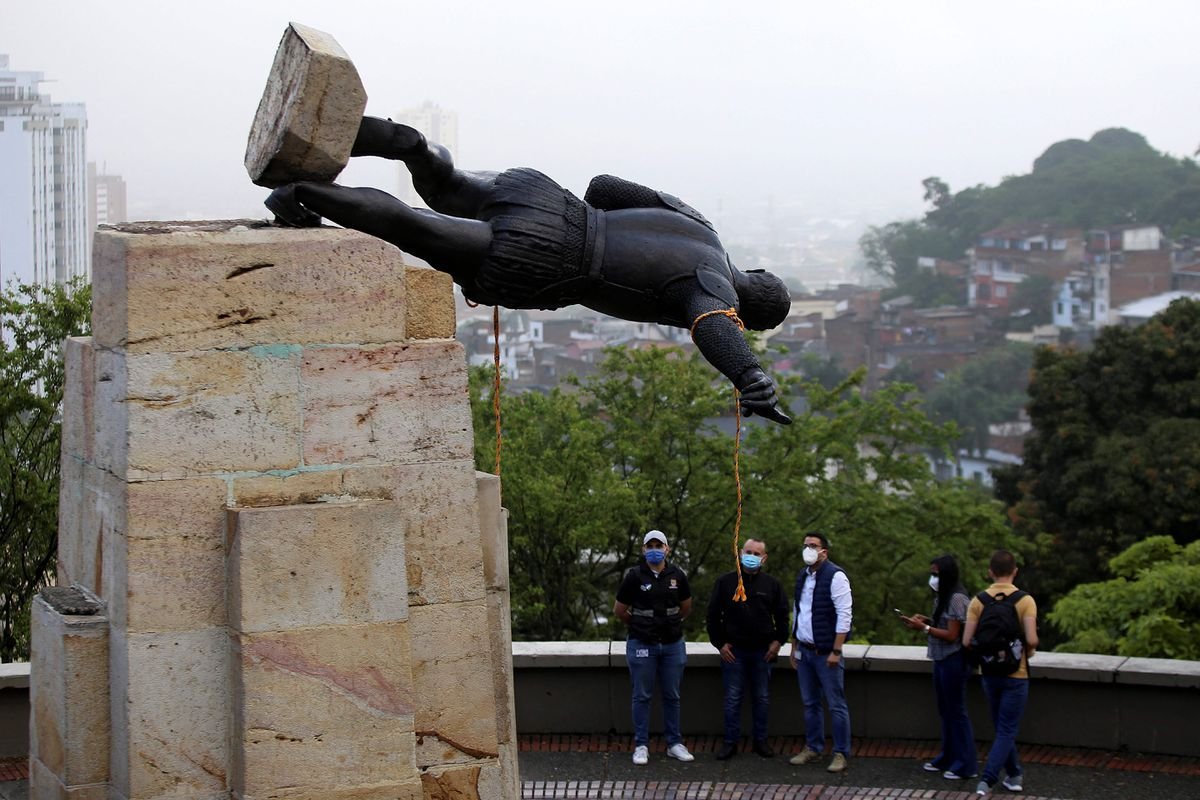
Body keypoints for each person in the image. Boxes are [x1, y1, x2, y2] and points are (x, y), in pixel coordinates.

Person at [265, 117, 792, 423]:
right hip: (551, 256)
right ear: (751, 311)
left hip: (547, 199)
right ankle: (302, 192)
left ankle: (410, 146)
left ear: (759, 270)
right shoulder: (713, 291)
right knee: (417, 227)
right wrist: (750, 377)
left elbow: (603, 187)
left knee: (445, 182)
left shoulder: (698, 224)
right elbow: (714, 327)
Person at [613, 530, 695, 765]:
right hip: (642, 644)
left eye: (659, 545)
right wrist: (640, 625)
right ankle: (641, 745)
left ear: (667, 549)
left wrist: (669, 624)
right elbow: (619, 611)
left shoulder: (677, 576)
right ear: (643, 550)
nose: (655, 549)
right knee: (641, 695)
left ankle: (674, 743)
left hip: (672, 645)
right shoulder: (634, 577)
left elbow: (686, 608)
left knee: (672, 695)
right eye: (650, 546)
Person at [705, 538, 790, 760]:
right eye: (748, 551)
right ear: (740, 553)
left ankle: (760, 742)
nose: (751, 556)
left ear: (764, 558)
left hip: (763, 652)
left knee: (761, 698)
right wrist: (719, 644)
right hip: (734, 653)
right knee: (732, 698)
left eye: (756, 553)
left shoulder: (772, 585)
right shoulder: (725, 582)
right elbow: (712, 616)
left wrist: (778, 642)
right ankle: (730, 743)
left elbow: (782, 617)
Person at [962, 550, 1038, 797]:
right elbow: (1032, 638)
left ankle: (1014, 775)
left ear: (990, 572)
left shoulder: (978, 601)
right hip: (1017, 674)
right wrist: (1026, 650)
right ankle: (988, 780)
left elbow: (966, 641)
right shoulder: (1025, 601)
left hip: (989, 672)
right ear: (1015, 571)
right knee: (1006, 730)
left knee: (1002, 728)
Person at [900, 555, 978, 781]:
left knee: (957, 711)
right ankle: (948, 756)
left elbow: (953, 635)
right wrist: (926, 621)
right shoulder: (942, 597)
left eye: (936, 574)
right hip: (941, 658)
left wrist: (923, 628)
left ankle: (966, 764)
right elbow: (944, 624)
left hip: (954, 659)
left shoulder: (956, 598)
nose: (932, 578)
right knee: (945, 711)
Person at [787, 532, 852, 773]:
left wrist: (836, 650)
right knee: (810, 703)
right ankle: (813, 747)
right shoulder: (803, 576)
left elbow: (845, 615)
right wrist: (794, 645)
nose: (808, 549)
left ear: (824, 551)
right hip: (805, 650)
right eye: (805, 545)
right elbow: (799, 611)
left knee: (836, 704)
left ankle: (840, 752)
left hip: (826, 652)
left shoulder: (836, 576)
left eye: (813, 546)